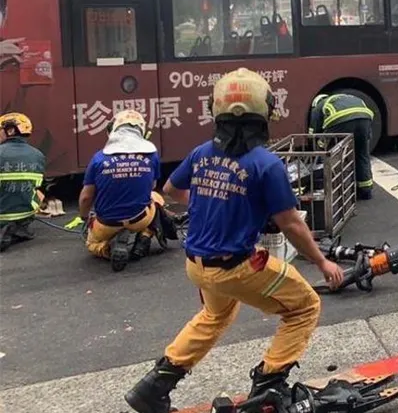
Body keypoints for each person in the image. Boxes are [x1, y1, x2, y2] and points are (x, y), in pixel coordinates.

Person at [125, 68, 343, 413]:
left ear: (216, 111)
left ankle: (154, 385)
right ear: (265, 113)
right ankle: (269, 383)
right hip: (236, 267)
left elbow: (170, 190)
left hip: (196, 264)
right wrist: (321, 261)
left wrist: (213, 201)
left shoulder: (201, 154)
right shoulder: (266, 165)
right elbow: (291, 224)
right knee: (305, 306)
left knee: (215, 315)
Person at [78, 110, 165, 271]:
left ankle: (108, 249)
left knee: (91, 243)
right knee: (156, 198)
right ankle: (145, 235)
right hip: (140, 218)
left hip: (106, 224)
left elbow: (86, 197)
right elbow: (151, 186)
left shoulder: (98, 158)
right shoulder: (151, 155)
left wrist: (85, 217)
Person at [309, 92, 375, 200]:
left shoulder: (319, 106)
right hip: (365, 118)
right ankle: (365, 190)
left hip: (338, 120)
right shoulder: (346, 97)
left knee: (324, 152)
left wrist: (315, 148)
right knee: (362, 153)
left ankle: (322, 186)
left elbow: (313, 133)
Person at [0, 113, 46, 252]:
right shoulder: (38, 155)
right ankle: (19, 227)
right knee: (38, 192)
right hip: (26, 213)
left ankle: (5, 228)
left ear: (10, 130)